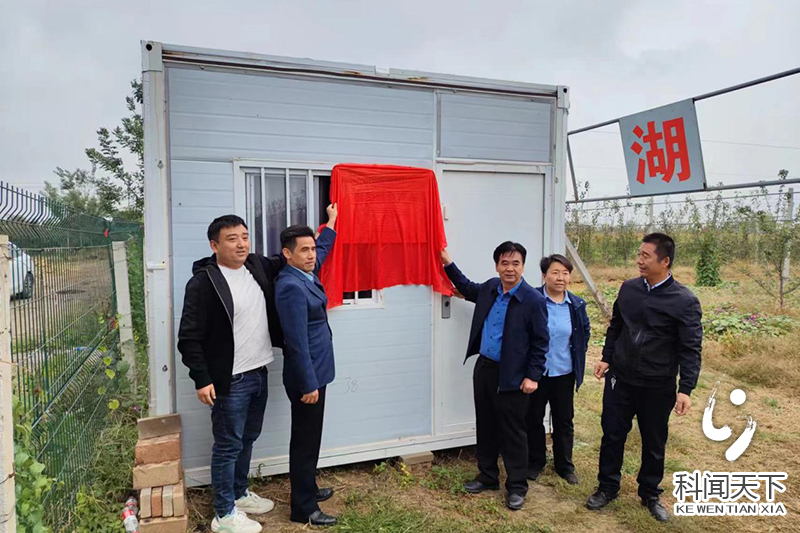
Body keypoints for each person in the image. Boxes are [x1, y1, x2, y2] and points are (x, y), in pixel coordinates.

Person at [178, 215, 285, 533]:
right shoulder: (203, 283)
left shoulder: (256, 266)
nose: (241, 244)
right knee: (227, 446)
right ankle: (224, 515)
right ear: (214, 245)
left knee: (247, 438)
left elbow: (290, 256)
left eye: (245, 236)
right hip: (230, 380)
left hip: (259, 371)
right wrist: (201, 378)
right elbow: (189, 336)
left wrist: (328, 229)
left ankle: (239, 494)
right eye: (232, 238)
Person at [587, 233, 702, 522]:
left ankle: (650, 493)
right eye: (639, 254)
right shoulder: (629, 289)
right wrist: (606, 357)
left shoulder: (684, 301)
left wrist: (685, 388)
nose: (639, 260)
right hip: (621, 379)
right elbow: (616, 326)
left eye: (645, 256)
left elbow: (690, 348)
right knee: (612, 433)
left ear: (665, 261)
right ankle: (607, 486)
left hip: (657, 384)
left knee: (654, 440)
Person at [440, 242, 549, 511]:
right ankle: (487, 476)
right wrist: (446, 261)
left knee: (513, 431)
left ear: (523, 266)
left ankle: (517, 486)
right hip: (485, 369)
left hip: (514, 375)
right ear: (497, 266)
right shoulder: (490, 288)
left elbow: (540, 342)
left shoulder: (533, 300)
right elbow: (466, 287)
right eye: (504, 263)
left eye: (515, 263)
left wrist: (532, 376)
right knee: (486, 424)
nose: (510, 269)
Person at [274, 206, 339, 527]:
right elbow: (296, 343)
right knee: (304, 441)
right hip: (306, 377)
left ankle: (308, 488)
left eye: (313, 248)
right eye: (305, 250)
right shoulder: (290, 287)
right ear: (288, 254)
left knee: (311, 438)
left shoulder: (305, 272)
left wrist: (331, 223)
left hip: (317, 371)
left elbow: (323, 250)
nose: (312, 254)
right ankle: (303, 508)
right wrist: (308, 384)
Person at [526, 254, 590, 485]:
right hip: (537, 373)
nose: (560, 278)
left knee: (564, 419)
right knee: (533, 418)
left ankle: (565, 465)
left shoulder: (576, 305)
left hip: (564, 372)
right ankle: (535, 462)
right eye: (555, 272)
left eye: (565, 273)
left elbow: (584, 333)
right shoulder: (532, 300)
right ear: (544, 276)